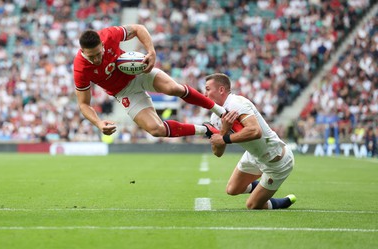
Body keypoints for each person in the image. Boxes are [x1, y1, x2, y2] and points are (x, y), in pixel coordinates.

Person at [73, 24, 229, 139]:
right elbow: (83, 104)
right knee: (156, 129)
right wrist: (98, 123)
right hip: (124, 92)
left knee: (174, 89)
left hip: (139, 72)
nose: (96, 59)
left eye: (98, 53)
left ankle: (219, 111)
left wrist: (151, 51)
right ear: (82, 51)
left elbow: (138, 29)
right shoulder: (80, 69)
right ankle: (206, 130)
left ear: (102, 44)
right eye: (91, 57)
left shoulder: (108, 35)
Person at [203, 73, 296, 210]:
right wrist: (223, 131)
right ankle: (263, 189)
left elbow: (255, 131)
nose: (205, 94)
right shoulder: (215, 117)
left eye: (208, 89)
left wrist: (224, 138)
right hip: (254, 155)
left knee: (252, 205)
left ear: (221, 90)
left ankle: (281, 201)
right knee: (232, 189)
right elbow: (217, 152)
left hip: (276, 161)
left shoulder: (237, 103)